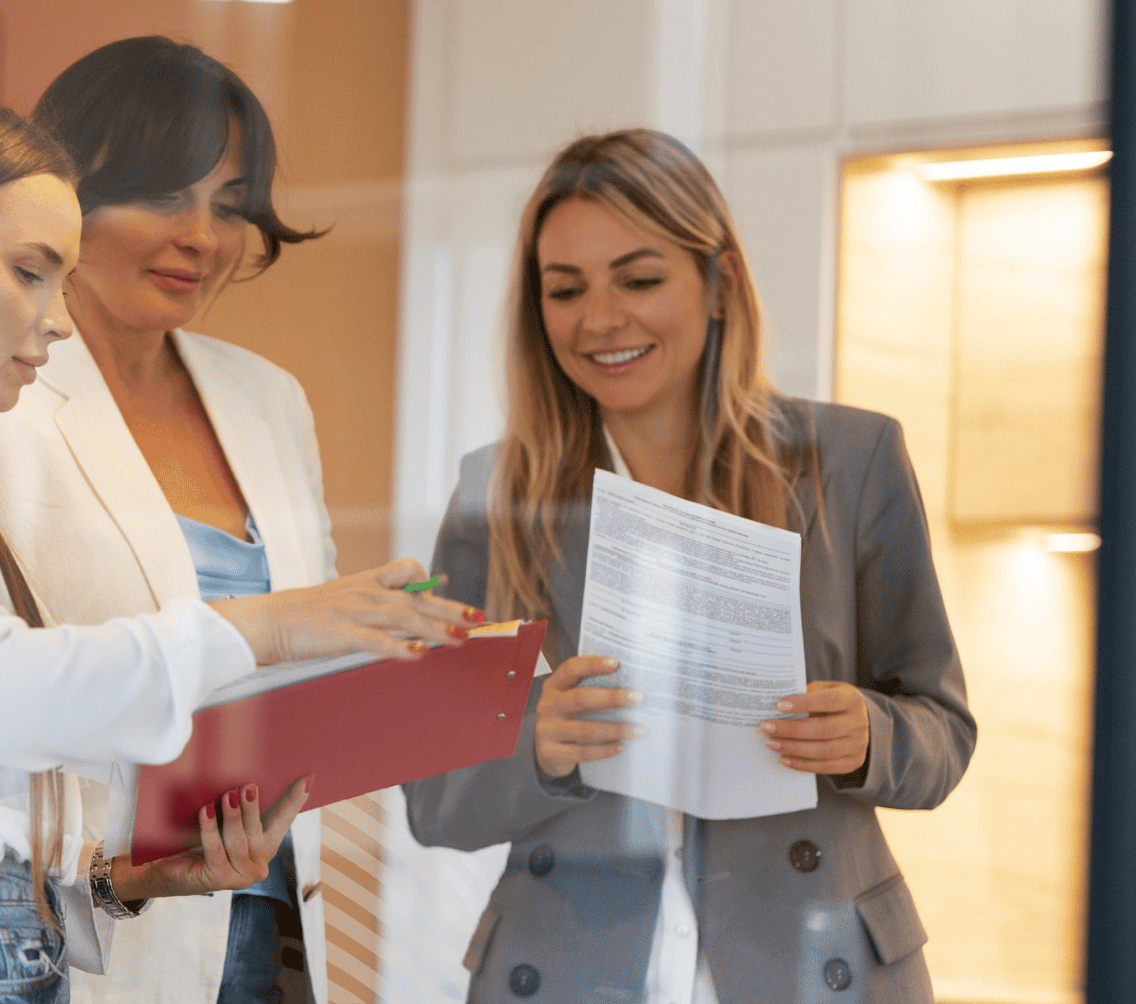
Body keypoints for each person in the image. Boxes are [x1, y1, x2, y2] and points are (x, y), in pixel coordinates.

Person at [0, 91, 477, 1004]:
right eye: (30, 271)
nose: (58, 320)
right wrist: (263, 627)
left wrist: (126, 881)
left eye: (62, 280)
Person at [402, 129, 976, 1003]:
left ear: (720, 284)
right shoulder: (500, 494)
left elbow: (943, 728)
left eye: (639, 280)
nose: (600, 319)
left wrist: (870, 736)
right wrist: (537, 745)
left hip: (814, 966)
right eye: (566, 289)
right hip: (568, 970)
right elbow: (434, 797)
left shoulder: (851, 462)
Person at [0, 37, 418, 1004]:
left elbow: (294, 659)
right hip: (90, 935)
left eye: (232, 205)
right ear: (65, 196)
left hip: (271, 919)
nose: (204, 236)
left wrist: (395, 648)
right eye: (166, 195)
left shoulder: (268, 399)